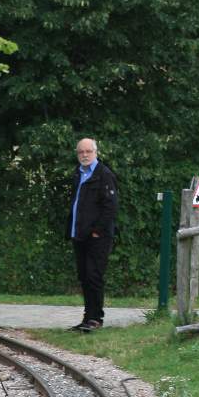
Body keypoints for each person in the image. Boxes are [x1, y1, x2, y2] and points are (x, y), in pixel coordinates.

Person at [67, 137, 118, 332]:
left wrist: (97, 231)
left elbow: (111, 208)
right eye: (81, 152)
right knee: (84, 276)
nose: (85, 155)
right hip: (79, 235)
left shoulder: (104, 175)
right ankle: (87, 318)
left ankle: (96, 318)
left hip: (98, 237)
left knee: (94, 276)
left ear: (96, 152)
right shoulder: (78, 174)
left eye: (88, 151)